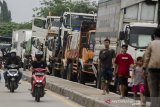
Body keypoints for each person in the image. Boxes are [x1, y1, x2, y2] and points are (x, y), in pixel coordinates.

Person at [143, 27, 160, 107]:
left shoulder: (151, 43)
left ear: (154, 35)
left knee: (153, 88)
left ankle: (154, 105)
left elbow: (147, 57)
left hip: (152, 69)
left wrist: (144, 68)